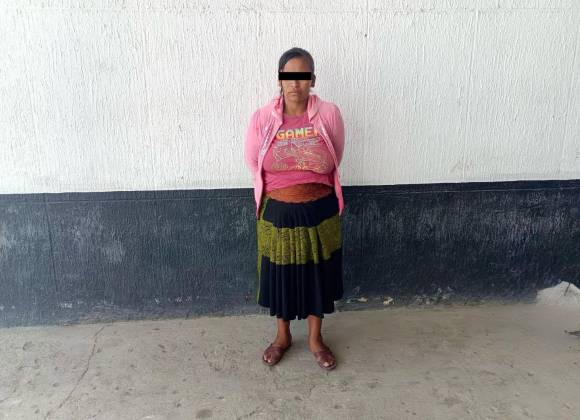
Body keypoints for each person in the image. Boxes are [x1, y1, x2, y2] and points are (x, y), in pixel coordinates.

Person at [244, 47, 346, 370]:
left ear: (312, 80)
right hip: (278, 212)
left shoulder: (329, 114)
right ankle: (282, 337)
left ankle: (315, 339)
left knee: (318, 277)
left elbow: (335, 155)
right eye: (288, 76)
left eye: (303, 76)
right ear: (279, 80)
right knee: (281, 277)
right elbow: (253, 161)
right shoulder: (263, 118)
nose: (295, 83)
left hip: (320, 211)